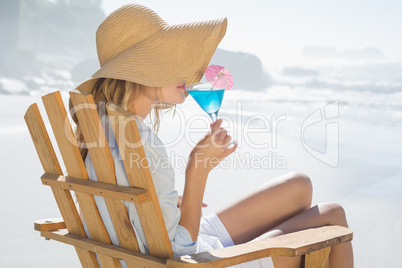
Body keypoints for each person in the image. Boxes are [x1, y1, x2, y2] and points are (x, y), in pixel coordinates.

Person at [70, 4, 353, 268]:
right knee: (332, 216)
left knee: (299, 186)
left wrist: (160, 204)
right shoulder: (141, 140)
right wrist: (198, 169)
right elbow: (180, 247)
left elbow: (124, 209)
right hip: (192, 259)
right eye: (171, 58)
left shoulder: (103, 126)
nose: (187, 70)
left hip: (162, 240)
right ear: (142, 70)